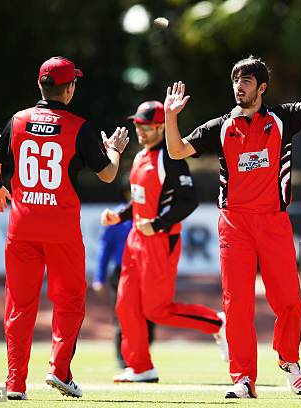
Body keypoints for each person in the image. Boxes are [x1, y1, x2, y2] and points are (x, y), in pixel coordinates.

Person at [162, 27, 301, 398]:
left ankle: (288, 359)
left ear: (262, 88)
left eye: (246, 81)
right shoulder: (220, 127)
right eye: (236, 80)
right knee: (237, 304)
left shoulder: (282, 119)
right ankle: (243, 379)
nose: (239, 86)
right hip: (234, 225)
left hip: (274, 221)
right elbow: (177, 152)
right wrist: (170, 117)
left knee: (290, 300)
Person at [0, 56, 129, 400]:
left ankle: (15, 384)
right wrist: (115, 150)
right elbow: (108, 174)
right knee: (70, 301)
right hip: (61, 230)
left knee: (19, 306)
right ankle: (59, 369)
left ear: (40, 85)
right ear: (70, 88)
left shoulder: (17, 120)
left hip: (22, 228)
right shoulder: (78, 126)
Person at [100, 100, 228, 384]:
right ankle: (141, 366)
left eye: (145, 126)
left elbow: (189, 201)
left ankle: (217, 322)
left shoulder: (170, 158)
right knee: (125, 305)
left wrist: (156, 224)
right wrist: (119, 216)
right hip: (136, 240)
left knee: (157, 310)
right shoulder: (140, 156)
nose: (140, 131)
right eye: (138, 125)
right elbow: (139, 201)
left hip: (159, 240)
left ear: (160, 127)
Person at [93, 202, 155, 369]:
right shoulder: (117, 216)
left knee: (149, 313)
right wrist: (99, 278)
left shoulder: (152, 213)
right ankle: (123, 358)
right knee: (122, 313)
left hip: (147, 270)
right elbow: (104, 248)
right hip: (122, 271)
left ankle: (143, 355)